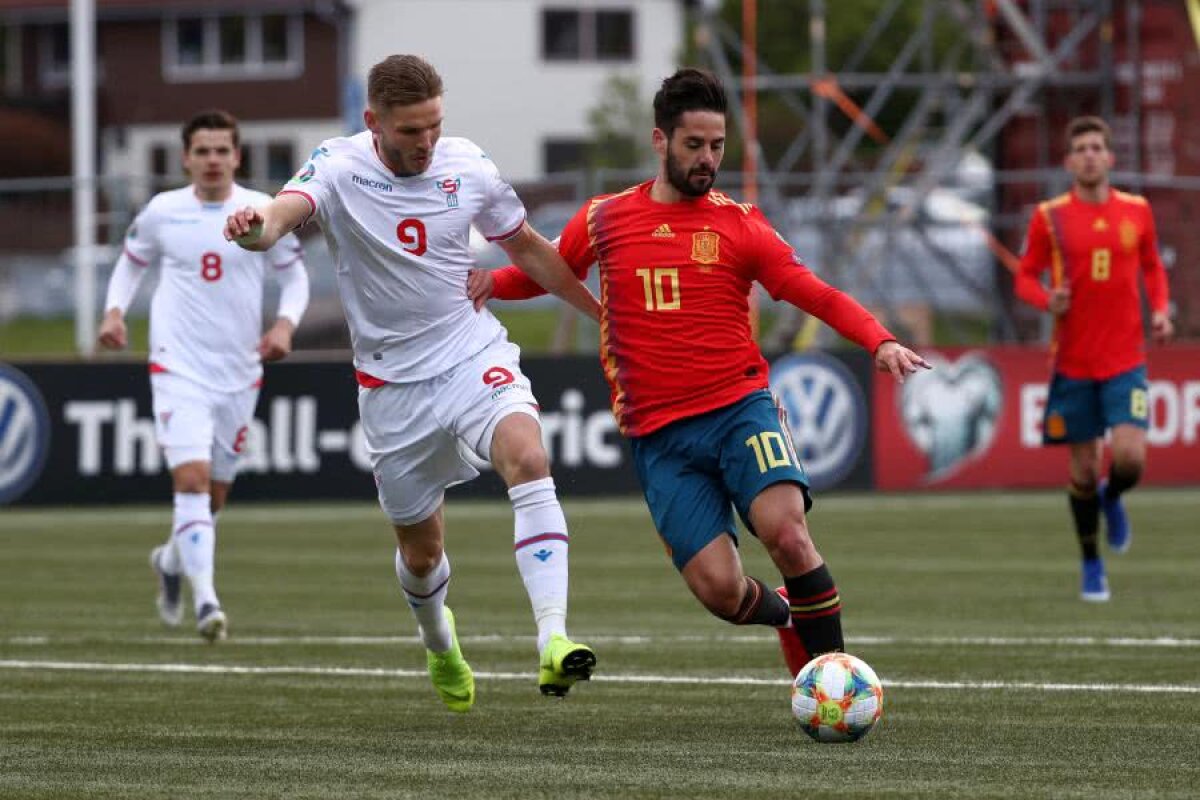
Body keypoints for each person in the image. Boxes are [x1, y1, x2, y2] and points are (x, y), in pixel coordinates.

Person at [470, 68, 928, 678]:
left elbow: (813, 291)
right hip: (660, 437)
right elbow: (549, 272)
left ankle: (833, 681)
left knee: (785, 533)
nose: (709, 158)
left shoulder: (740, 225)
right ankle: (793, 615)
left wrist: (880, 339)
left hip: (740, 409)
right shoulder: (605, 219)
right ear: (660, 141)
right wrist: (489, 282)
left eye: (717, 145)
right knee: (721, 592)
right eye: (695, 145)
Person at [224, 55, 601, 712]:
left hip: (469, 355)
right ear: (374, 122)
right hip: (393, 391)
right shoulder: (339, 166)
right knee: (422, 554)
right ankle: (438, 641)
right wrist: (253, 227)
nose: (425, 143)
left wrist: (603, 317)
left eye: (433, 127)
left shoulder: (469, 165)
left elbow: (532, 250)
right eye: (409, 132)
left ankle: (555, 639)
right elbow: (281, 215)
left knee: (529, 455)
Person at [99, 109, 310, 642]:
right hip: (178, 365)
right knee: (190, 482)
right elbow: (130, 262)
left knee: (212, 498)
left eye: (222, 150)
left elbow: (295, 279)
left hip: (239, 369)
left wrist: (284, 327)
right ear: (186, 158)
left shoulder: (263, 210)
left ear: (236, 156)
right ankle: (208, 603)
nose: (213, 159)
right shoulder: (162, 212)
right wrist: (114, 311)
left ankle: (170, 563)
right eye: (203, 151)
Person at [1015, 115, 1173, 602]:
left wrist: (1162, 311)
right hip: (1073, 363)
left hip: (1126, 358)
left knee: (1129, 458)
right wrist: (1048, 301)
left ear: (1110, 157)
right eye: (1079, 147)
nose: (1088, 154)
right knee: (1082, 470)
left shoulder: (1138, 211)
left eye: (1095, 147)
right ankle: (1091, 562)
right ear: (1068, 161)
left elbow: (1151, 266)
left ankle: (1114, 496)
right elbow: (1025, 277)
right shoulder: (1050, 216)